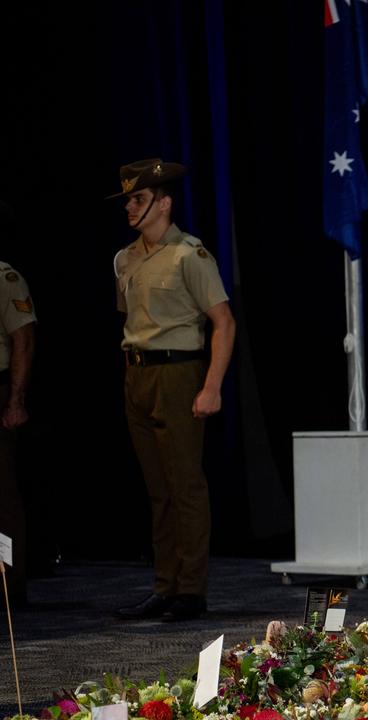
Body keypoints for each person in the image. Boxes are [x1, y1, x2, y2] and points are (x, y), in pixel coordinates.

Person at [108, 159, 235, 622]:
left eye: (138, 199)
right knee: (157, 488)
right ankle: (164, 586)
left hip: (179, 374)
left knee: (185, 486)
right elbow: (131, 318)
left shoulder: (190, 255)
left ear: (163, 203)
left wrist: (212, 385)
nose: (130, 207)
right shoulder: (125, 258)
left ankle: (191, 590)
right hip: (138, 374)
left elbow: (223, 321)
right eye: (127, 200)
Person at [0, 200, 36, 607]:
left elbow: (24, 339)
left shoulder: (5, 277)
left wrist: (16, 399)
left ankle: (8, 585)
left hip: (1, 387)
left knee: (2, 495)